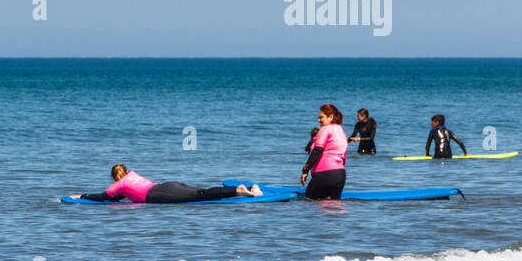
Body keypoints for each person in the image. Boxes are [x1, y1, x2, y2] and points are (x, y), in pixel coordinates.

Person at [72, 165, 263, 203]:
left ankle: (239, 191)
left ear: (114, 177)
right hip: (167, 186)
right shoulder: (132, 176)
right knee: (201, 192)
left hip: (160, 195)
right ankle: (248, 187)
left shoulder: (119, 185)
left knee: (201, 196)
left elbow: (104, 197)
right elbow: (123, 196)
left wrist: (82, 196)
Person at [301, 103, 347, 198]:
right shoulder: (341, 131)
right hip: (340, 175)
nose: (318, 120)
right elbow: (344, 157)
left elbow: (317, 150)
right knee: (333, 207)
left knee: (308, 202)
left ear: (330, 117)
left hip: (324, 174)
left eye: (321, 117)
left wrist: (305, 170)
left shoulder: (325, 129)